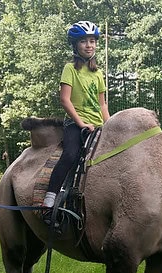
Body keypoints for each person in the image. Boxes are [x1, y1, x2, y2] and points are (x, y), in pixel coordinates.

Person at [42, 21, 110, 222]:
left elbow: (103, 105)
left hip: (97, 125)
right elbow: (65, 100)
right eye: (83, 41)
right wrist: (81, 124)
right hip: (76, 124)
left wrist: (109, 126)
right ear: (75, 45)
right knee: (70, 155)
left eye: (92, 41)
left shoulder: (97, 73)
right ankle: (49, 201)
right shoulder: (70, 69)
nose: (89, 45)